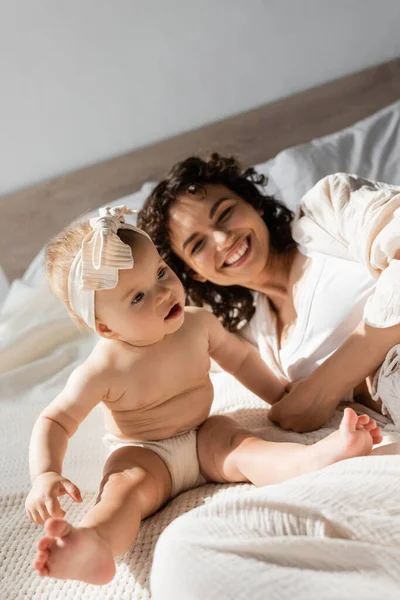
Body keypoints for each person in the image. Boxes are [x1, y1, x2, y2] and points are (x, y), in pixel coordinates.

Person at [25, 205, 381, 585]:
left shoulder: (197, 324)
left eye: (161, 272)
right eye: (137, 297)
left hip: (202, 434)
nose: (163, 293)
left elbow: (240, 358)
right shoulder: (102, 369)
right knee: (123, 491)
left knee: (242, 447)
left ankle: (314, 458)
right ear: (105, 328)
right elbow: (56, 420)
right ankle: (93, 544)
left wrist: (279, 395)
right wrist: (45, 473)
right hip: (146, 451)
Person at [138, 154, 400, 432]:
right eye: (197, 245)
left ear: (253, 204)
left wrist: (324, 387)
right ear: (194, 272)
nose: (223, 239)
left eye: (225, 213)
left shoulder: (326, 209)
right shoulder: (252, 337)